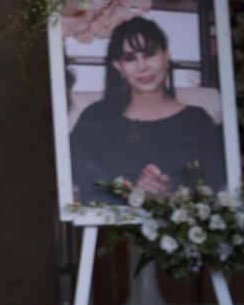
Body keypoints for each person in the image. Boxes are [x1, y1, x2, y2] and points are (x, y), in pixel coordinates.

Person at [69, 16, 226, 205]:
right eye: (130, 58)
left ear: (166, 56)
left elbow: (211, 185)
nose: (142, 66)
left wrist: (170, 195)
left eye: (149, 54)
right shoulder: (95, 119)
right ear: (118, 67)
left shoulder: (197, 120)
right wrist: (134, 195)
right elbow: (86, 184)